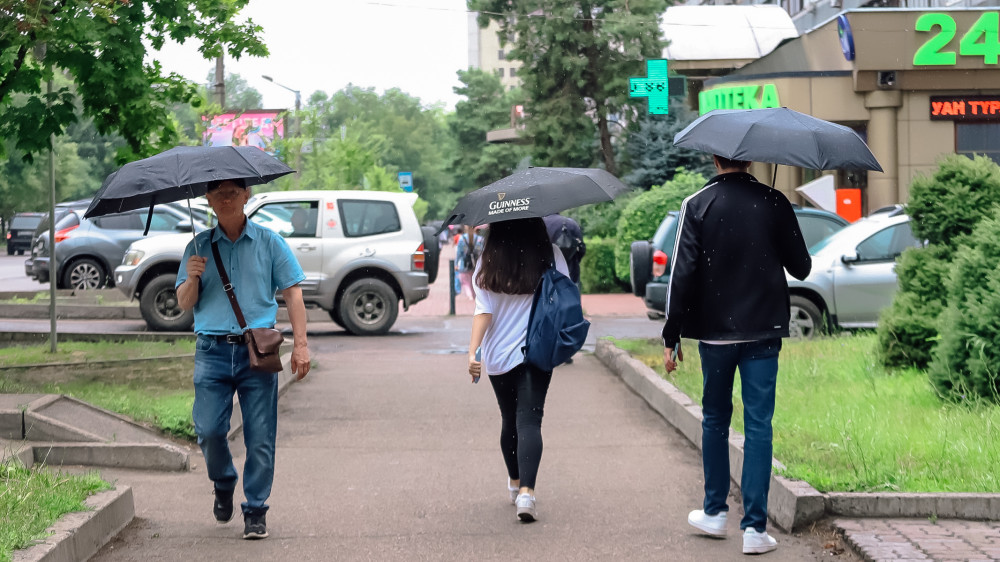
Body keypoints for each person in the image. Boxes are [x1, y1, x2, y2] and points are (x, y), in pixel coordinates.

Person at [661, 155, 811, 555]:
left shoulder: (697, 203)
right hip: (764, 329)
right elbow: (802, 268)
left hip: (715, 333)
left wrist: (671, 333)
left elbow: (683, 272)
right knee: (759, 425)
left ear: (715, 158)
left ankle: (714, 513)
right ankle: (755, 530)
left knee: (715, 419)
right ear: (749, 159)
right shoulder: (775, 201)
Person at [177, 178, 311, 541]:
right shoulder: (198, 246)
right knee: (208, 429)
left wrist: (300, 345)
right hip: (212, 351)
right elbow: (184, 303)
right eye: (217, 192)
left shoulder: (269, 242)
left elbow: (293, 293)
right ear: (207, 198)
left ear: (246, 195)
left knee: (260, 436)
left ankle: (255, 509)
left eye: (233, 191)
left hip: (258, 350)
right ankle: (223, 482)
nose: (225, 198)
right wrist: (192, 278)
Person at [467, 217, 569, 523]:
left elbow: (482, 309)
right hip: (539, 350)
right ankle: (527, 493)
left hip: (498, 354)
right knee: (530, 420)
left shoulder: (489, 256)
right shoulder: (551, 254)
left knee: (509, 418)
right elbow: (564, 299)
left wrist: (472, 351)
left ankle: (514, 483)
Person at [543, 213, 586, 285]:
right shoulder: (571, 224)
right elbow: (581, 249)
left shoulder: (541, 224)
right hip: (570, 273)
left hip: (547, 275)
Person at [455, 226, 483, 300]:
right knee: (473, 281)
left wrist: (456, 264)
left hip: (465, 264)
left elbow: (459, 253)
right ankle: (474, 296)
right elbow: (481, 252)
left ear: (466, 228)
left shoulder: (462, 239)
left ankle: (470, 295)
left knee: (465, 282)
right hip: (476, 264)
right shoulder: (480, 239)